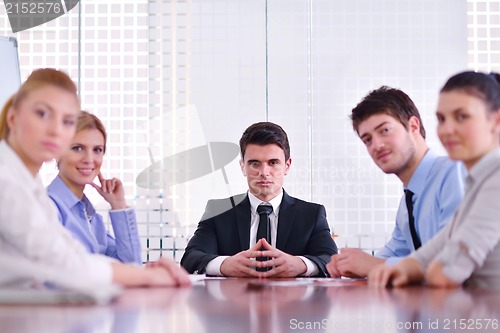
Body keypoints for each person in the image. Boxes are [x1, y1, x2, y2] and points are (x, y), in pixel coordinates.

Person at [0, 68, 189, 289]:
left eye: (67, 121)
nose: (55, 130)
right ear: (13, 117)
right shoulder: (8, 181)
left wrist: (144, 271)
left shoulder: (34, 188)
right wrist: (148, 276)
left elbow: (79, 255)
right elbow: (65, 265)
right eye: (42, 114)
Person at [369, 71, 500, 289]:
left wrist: (420, 269)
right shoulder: (478, 182)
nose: (447, 130)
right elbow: (432, 253)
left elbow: (446, 272)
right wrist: (411, 266)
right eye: (441, 119)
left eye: (462, 117)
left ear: (495, 120)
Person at [326, 86, 465, 278]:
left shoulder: (454, 173)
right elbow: (395, 252)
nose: (376, 145)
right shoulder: (408, 201)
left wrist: (375, 265)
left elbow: (456, 258)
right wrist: (349, 263)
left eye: (384, 130)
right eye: (367, 139)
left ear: (413, 126)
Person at [181, 122, 338, 277]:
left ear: (287, 166)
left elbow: (330, 260)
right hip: (234, 300)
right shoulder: (219, 211)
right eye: (255, 163)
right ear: (243, 167)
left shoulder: (311, 214)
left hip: (291, 301)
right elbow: (190, 258)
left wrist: (301, 265)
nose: (264, 172)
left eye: (273, 163)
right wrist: (224, 264)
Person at [47, 111, 141, 264]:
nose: (89, 159)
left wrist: (118, 205)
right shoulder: (46, 208)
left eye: (97, 150)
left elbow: (131, 264)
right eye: (77, 148)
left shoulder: (91, 218)